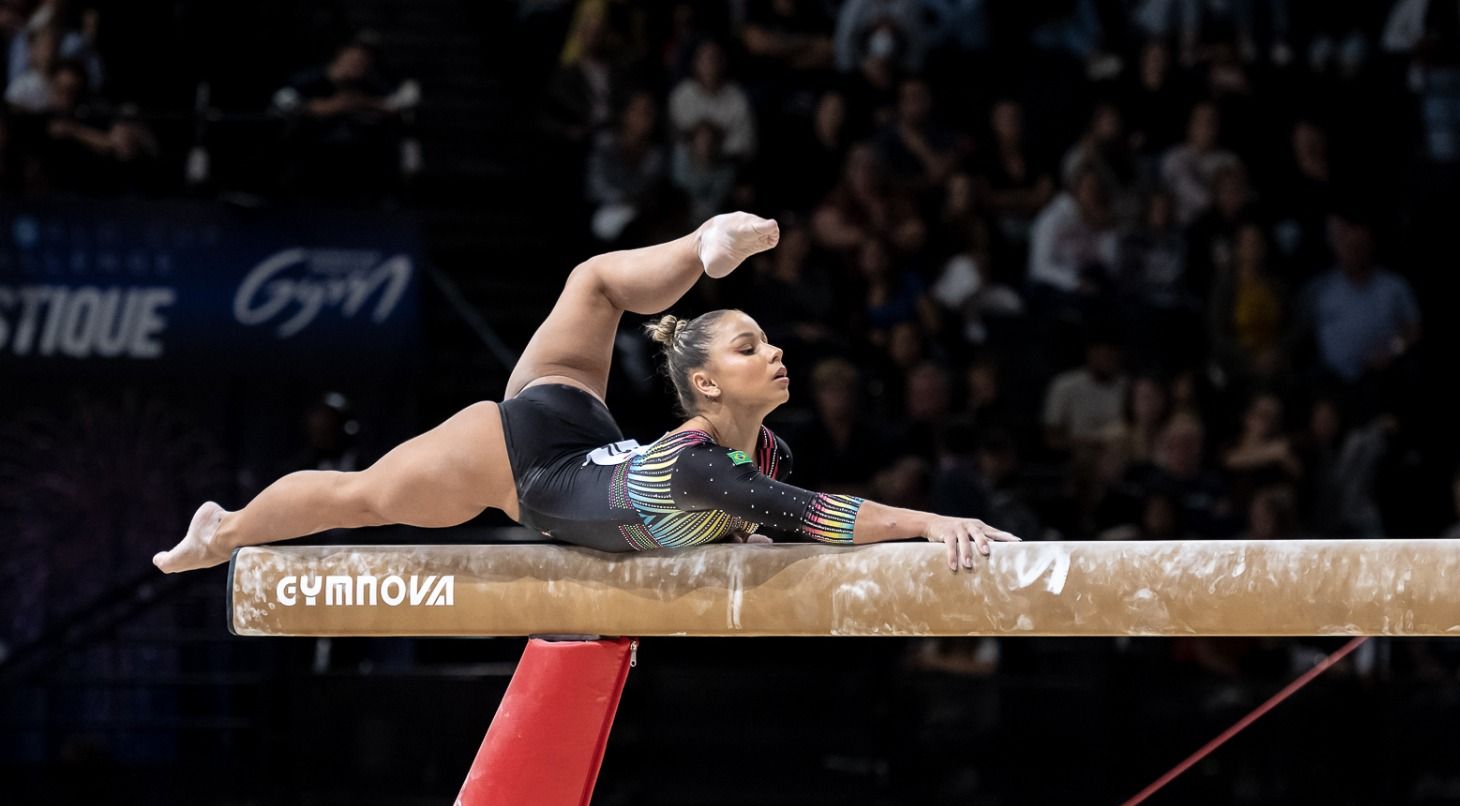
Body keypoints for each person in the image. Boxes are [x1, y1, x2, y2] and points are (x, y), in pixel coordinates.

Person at [154, 213, 1014, 575]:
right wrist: (931, 520)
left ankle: (703, 244)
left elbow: (779, 516)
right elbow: (817, 517)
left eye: (771, 340)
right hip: (523, 460)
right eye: (753, 344)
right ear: (705, 382)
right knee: (364, 497)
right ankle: (223, 531)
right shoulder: (703, 467)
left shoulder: (758, 453)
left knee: (595, 281)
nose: (778, 350)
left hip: (586, 436)